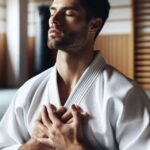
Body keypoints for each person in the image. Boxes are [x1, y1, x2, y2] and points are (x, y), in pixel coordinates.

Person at [0, 0, 150, 149]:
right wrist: (34, 144)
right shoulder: (29, 91)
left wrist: (73, 147)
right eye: (53, 11)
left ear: (94, 25)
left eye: (68, 13)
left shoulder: (126, 95)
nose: (54, 19)